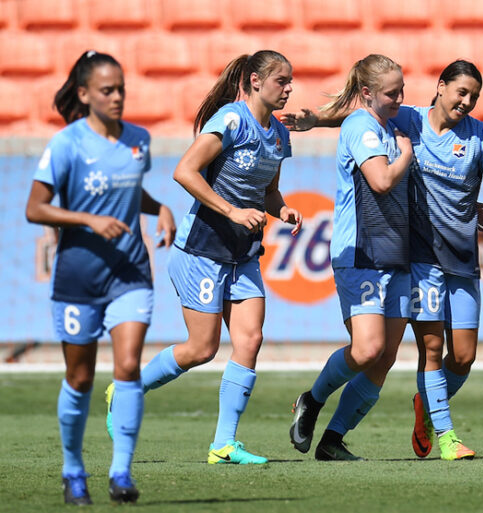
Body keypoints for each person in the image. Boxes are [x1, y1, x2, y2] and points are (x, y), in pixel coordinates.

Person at [284, 59, 483, 460]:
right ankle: (430, 433)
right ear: (440, 86)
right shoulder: (410, 122)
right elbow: (359, 116)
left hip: (460, 254)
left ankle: (423, 408)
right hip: (418, 257)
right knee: (406, 350)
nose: (467, 102)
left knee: (460, 356)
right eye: (461, 92)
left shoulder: (480, 136)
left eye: (474, 96)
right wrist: (314, 119)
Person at [108, 50, 302, 465]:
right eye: (281, 80)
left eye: (290, 80)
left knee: (250, 339)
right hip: (203, 249)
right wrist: (232, 210)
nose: (288, 88)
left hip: (243, 253)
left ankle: (223, 444)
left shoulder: (281, 135)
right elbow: (185, 171)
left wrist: (280, 209)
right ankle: (127, 387)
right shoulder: (232, 121)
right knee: (201, 348)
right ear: (254, 80)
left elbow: (267, 191)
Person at [25, 50, 176, 505]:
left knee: (128, 366)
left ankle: (121, 473)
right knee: (80, 378)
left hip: (129, 274)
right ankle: (73, 470)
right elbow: (35, 207)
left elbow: (130, 189)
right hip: (78, 278)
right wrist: (88, 221)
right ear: (85, 94)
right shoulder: (66, 144)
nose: (117, 98)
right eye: (107, 91)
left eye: (121, 90)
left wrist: (160, 208)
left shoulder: (138, 140)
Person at [288, 54, 414, 461]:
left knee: (385, 356)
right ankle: (312, 398)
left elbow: (426, 114)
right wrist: (407, 156)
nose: (399, 98)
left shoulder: (386, 122)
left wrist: (320, 120)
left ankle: (333, 439)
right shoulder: (363, 126)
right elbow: (379, 181)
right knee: (366, 351)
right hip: (360, 251)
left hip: (395, 251)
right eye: (392, 93)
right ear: (368, 93)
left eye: (402, 90)